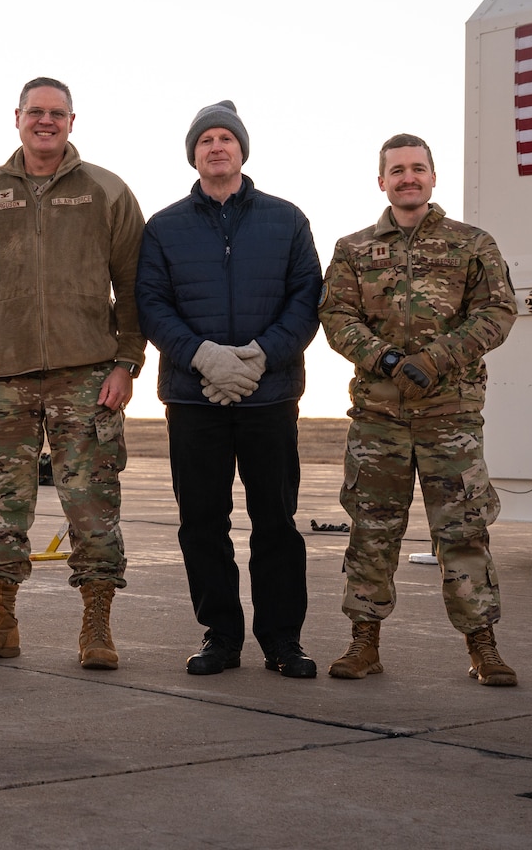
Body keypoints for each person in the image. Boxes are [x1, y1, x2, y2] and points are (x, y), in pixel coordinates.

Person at [0, 76, 145, 670]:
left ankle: (97, 628)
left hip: (88, 376)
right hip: (1, 377)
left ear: (73, 122)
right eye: (36, 112)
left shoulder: (106, 191)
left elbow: (133, 285)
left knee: (92, 505)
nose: (46, 121)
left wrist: (128, 362)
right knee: (1, 508)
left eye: (57, 113)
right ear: (17, 118)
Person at [319, 133, 519, 685]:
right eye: (397, 170)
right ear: (380, 181)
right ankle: (364, 644)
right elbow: (335, 316)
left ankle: (483, 647)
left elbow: (498, 312)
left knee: (463, 531)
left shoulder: (471, 243)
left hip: (449, 417)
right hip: (378, 419)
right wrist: (383, 358)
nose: (408, 178)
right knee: (372, 531)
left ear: (433, 177)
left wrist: (437, 359)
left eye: (418, 168)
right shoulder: (353, 249)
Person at [137, 101, 323, 678]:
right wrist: (204, 359)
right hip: (195, 401)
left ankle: (282, 641)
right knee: (202, 523)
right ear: (193, 155)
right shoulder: (163, 226)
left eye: (226, 139)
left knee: (276, 523)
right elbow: (152, 304)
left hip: (270, 398)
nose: (216, 147)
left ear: (242, 150)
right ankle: (220, 635)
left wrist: (257, 358)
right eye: (205, 141)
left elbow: (307, 300)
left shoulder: (287, 219)